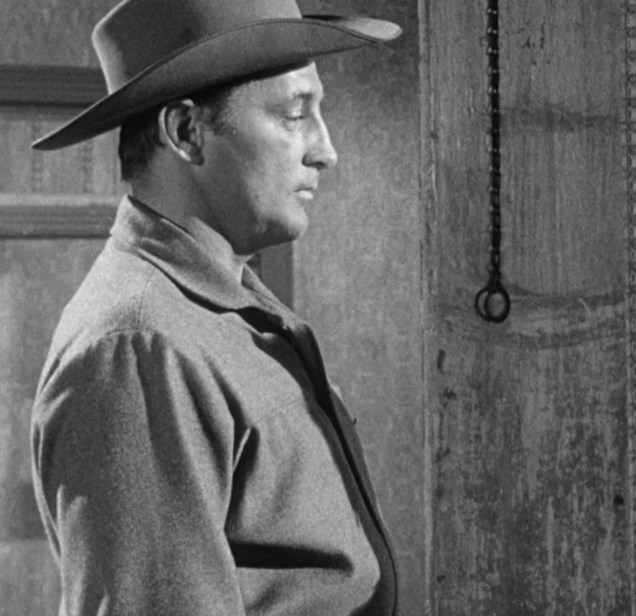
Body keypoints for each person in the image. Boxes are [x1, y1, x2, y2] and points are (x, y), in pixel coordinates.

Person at [28, 1, 404, 614]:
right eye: (295, 114)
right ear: (186, 132)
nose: (325, 151)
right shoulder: (140, 347)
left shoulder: (219, 306)